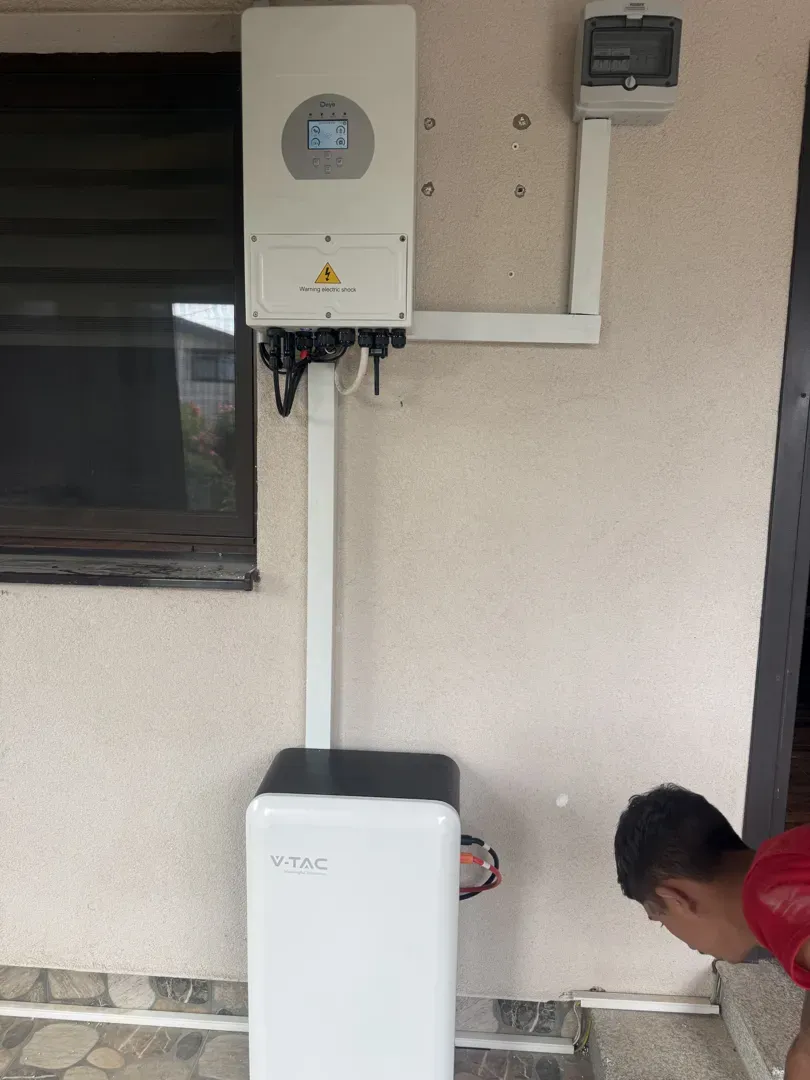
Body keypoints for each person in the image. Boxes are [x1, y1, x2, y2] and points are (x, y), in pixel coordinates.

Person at [614, 785, 810, 1079]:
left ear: (676, 899)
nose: (687, 944)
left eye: (660, 919)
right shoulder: (787, 860)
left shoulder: (774, 896)